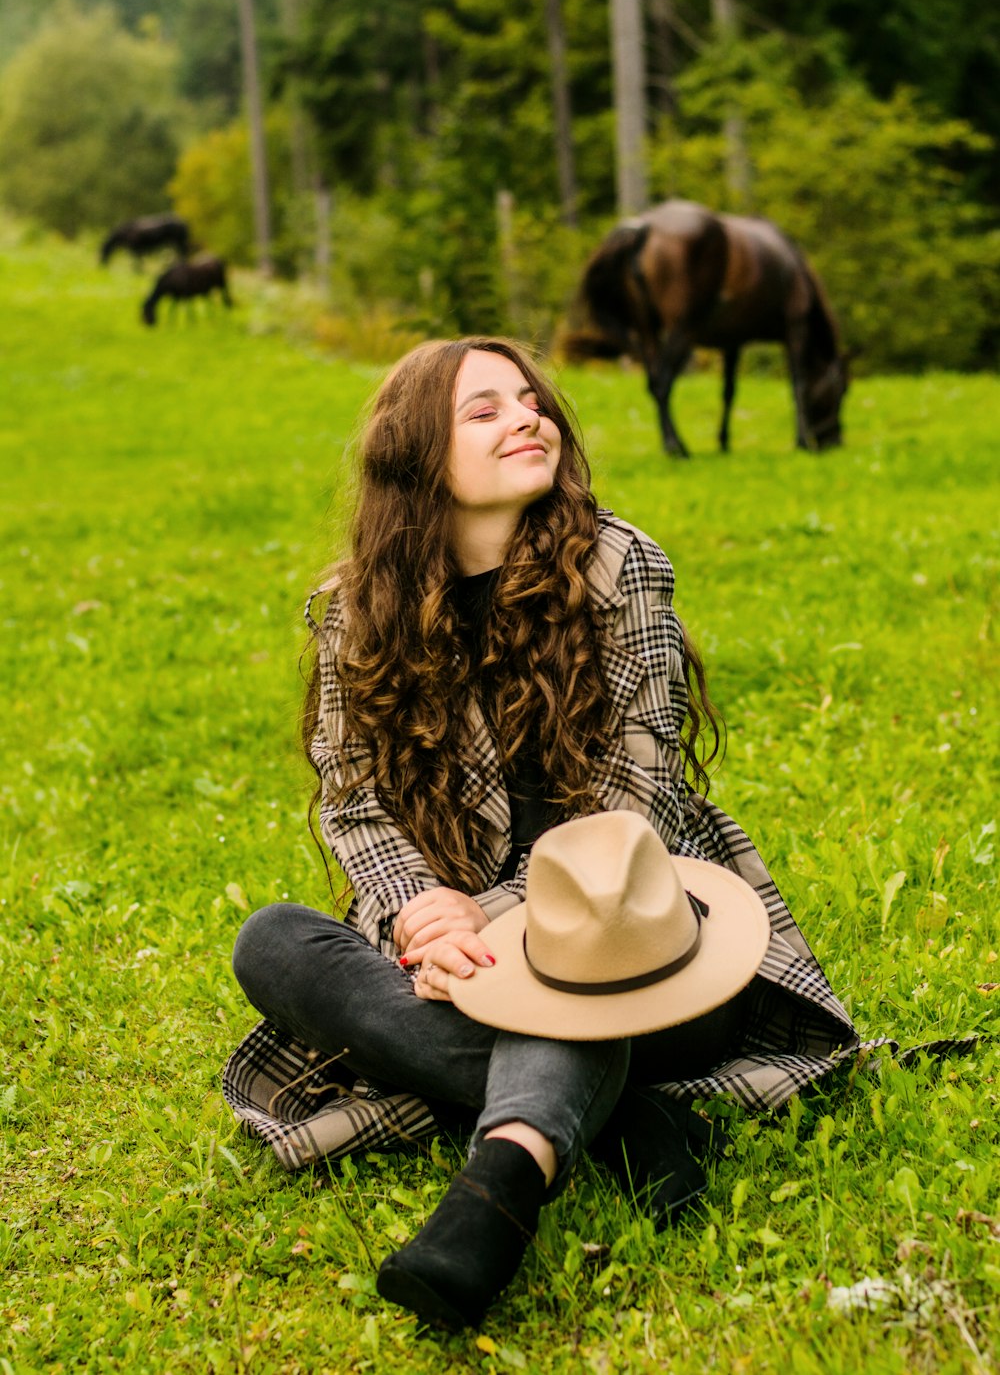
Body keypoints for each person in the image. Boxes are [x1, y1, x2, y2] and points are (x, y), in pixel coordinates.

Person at [225, 336, 858, 1329]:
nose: (526, 419)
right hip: (457, 956)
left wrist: (477, 929)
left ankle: (500, 1188)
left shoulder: (618, 564)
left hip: (648, 945)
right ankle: (628, 1126)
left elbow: (633, 810)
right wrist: (412, 913)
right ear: (416, 456)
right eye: (483, 411)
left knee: (575, 985)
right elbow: (351, 801)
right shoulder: (356, 607)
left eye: (531, 402)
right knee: (271, 939)